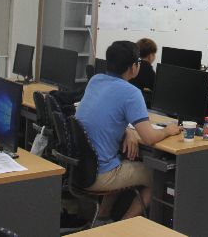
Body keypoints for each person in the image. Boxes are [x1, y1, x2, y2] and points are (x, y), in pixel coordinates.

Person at [75, 41, 181, 221]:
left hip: (80, 169)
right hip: (101, 174)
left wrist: (127, 131)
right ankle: (124, 225)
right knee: (158, 177)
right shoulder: (131, 93)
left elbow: (103, 115)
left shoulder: (95, 80)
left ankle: (103, 215)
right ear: (133, 67)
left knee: (123, 158)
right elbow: (149, 138)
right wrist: (168, 131)